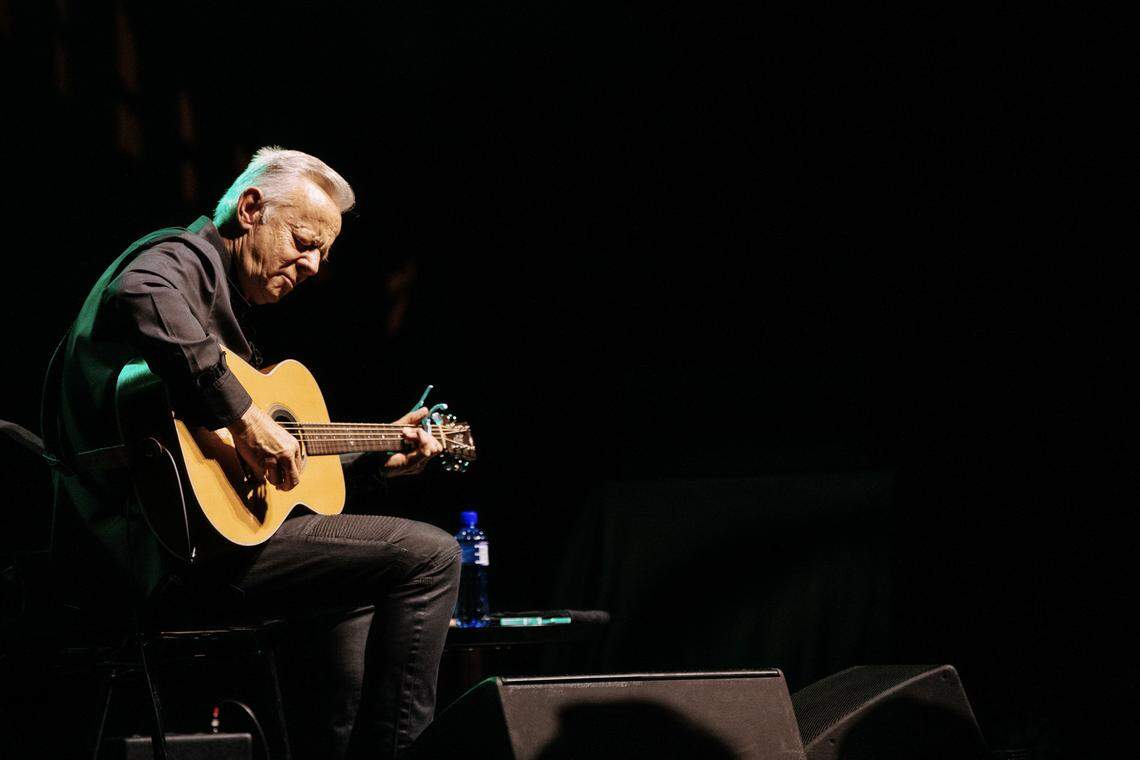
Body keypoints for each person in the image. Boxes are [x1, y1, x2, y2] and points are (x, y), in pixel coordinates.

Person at [45, 147, 461, 758]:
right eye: (304, 240)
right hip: (156, 556)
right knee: (433, 556)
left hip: (196, 548)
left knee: (357, 582)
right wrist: (244, 417)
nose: (315, 265)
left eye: (325, 252)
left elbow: (269, 471)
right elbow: (141, 291)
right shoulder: (180, 259)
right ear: (249, 209)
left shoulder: (219, 309)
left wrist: (376, 462)